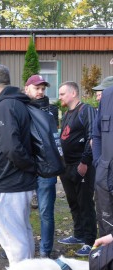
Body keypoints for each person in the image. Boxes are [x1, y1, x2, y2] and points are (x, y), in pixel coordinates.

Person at [0, 64, 37, 266]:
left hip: (6, 183)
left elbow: (11, 147)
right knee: (22, 234)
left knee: (14, 241)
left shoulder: (5, 107)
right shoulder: (15, 104)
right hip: (14, 181)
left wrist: (30, 166)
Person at [57, 81, 97, 256]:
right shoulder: (67, 114)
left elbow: (92, 137)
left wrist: (85, 162)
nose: (59, 98)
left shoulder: (85, 110)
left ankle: (89, 241)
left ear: (73, 93)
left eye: (62, 94)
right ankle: (79, 234)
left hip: (82, 166)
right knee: (73, 202)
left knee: (85, 203)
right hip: (67, 166)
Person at [24, 74, 58, 258]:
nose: (40, 92)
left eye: (43, 89)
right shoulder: (20, 108)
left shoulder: (51, 110)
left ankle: (45, 249)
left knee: (45, 211)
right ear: (26, 88)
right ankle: (20, 246)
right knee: (20, 211)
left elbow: (53, 139)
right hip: (25, 167)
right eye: (37, 88)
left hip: (46, 169)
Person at [92, 78, 113, 238]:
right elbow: (97, 134)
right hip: (105, 177)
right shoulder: (107, 97)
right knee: (106, 227)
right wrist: (99, 163)